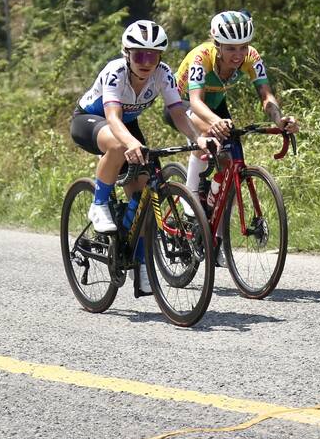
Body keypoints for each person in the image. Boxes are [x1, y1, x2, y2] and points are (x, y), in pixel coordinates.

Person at [70, 19, 213, 293]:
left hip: (127, 124)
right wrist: (131, 144)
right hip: (92, 119)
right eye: (139, 55)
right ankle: (99, 204)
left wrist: (197, 139)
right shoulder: (115, 72)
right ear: (127, 53)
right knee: (118, 145)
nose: (146, 62)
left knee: (146, 194)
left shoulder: (163, 74)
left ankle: (142, 262)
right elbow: (112, 117)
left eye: (153, 55)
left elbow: (178, 112)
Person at [164, 10, 300, 264]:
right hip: (182, 105)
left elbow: (266, 96)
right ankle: (191, 202)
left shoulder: (252, 57)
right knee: (206, 134)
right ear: (217, 45)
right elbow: (195, 101)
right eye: (230, 49)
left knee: (232, 166)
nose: (238, 55)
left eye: (243, 47)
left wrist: (279, 119)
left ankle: (216, 237)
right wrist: (215, 122)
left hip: (216, 105)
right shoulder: (201, 57)